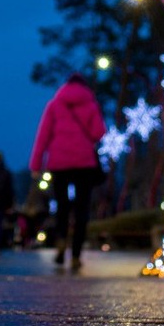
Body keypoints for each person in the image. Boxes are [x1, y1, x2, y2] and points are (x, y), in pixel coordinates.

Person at [29, 73, 106, 270]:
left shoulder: (54, 105)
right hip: (83, 163)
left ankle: (61, 241)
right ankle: (76, 254)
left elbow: (43, 136)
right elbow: (99, 132)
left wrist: (36, 165)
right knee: (82, 209)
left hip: (59, 163)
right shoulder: (90, 104)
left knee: (62, 206)